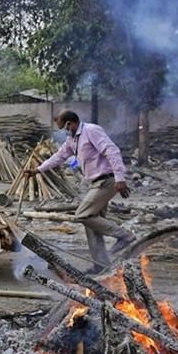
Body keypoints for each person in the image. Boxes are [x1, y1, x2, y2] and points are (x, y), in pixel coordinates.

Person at [25, 110, 136, 273]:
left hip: (107, 180)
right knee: (91, 223)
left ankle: (125, 236)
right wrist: (38, 170)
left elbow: (112, 151)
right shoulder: (72, 140)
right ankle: (101, 265)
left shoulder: (91, 130)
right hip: (96, 182)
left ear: (71, 123)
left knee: (83, 215)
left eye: (64, 127)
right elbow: (59, 156)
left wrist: (120, 178)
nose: (64, 131)